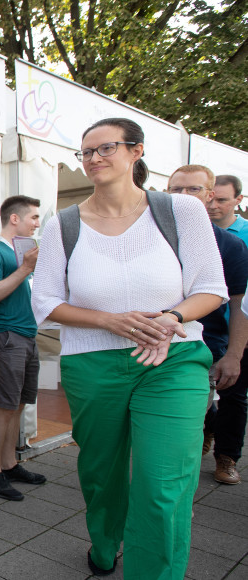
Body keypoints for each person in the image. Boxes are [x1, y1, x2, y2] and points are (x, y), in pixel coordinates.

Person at [31, 118, 226, 578]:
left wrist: (171, 318)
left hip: (171, 359)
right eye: (86, 152)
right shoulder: (64, 223)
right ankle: (104, 544)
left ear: (136, 152)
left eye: (106, 148)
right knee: (101, 475)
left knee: (163, 488)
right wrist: (107, 320)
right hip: (92, 364)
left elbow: (212, 287)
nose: (94, 159)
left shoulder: (182, 211)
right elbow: (44, 301)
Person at [168, 166, 248, 484]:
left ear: (209, 195)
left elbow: (241, 307)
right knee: (184, 411)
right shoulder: (153, 236)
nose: (184, 197)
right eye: (176, 190)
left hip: (215, 340)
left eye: (193, 190)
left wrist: (235, 353)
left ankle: (227, 457)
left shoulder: (230, 245)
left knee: (234, 396)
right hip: (167, 339)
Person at [0, 195, 47, 501]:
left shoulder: (21, 254)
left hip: (25, 337)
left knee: (18, 405)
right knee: (3, 405)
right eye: (33, 217)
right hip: (4, 336)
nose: (37, 223)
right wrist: (25, 269)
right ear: (14, 219)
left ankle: (9, 463)